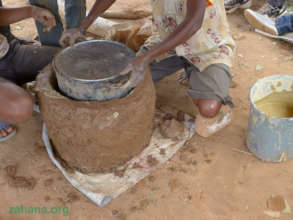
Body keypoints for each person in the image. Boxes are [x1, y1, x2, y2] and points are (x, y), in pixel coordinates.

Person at [72, 0, 236, 137]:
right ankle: (190, 71)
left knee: (208, 109)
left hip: (207, 46)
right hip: (168, 41)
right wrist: (82, 27)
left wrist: (145, 58)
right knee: (127, 82)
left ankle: (199, 72)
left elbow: (194, 22)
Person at [0, 4, 59, 141]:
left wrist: (31, 11)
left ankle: (10, 86)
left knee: (66, 61)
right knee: (20, 107)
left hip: (8, 52)